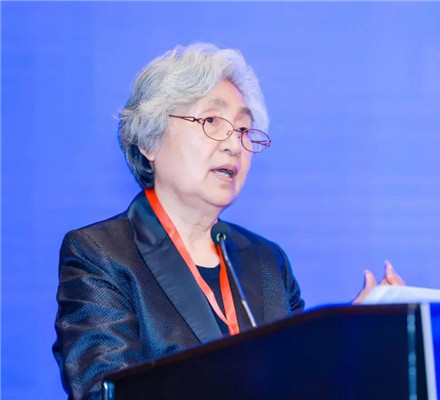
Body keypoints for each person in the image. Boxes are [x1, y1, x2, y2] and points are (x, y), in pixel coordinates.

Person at [52, 42, 403, 399]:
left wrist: (351, 339)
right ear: (149, 141)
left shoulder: (267, 261)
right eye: (211, 122)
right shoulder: (101, 254)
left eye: (243, 130)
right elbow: (106, 392)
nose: (234, 145)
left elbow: (301, 381)